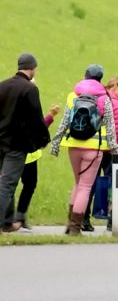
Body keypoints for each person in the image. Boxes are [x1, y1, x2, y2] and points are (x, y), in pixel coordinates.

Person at [50, 64, 118, 236]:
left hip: (73, 145)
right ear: (100, 79)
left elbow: (65, 121)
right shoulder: (105, 98)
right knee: (85, 187)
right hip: (94, 148)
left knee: (78, 183)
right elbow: (111, 128)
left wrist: (56, 143)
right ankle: (75, 227)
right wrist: (115, 150)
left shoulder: (73, 95)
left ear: (85, 76)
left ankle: (69, 223)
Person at [0, 54, 51, 234]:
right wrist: (43, 139)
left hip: (0, 142)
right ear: (33, 68)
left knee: (5, 183)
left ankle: (7, 223)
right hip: (16, 144)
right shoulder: (29, 89)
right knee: (7, 185)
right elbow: (35, 118)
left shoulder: (3, 86)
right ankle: (2, 223)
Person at [5, 101, 59, 232]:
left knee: (23, 185)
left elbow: (39, 128)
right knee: (16, 186)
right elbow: (38, 129)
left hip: (26, 156)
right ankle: (13, 219)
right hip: (23, 156)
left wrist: (50, 116)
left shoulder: (10, 111)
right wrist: (51, 115)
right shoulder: (25, 112)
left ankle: (18, 218)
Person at [83, 76, 118, 231]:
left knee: (89, 184)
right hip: (109, 151)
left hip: (93, 147)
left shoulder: (97, 99)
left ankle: (84, 218)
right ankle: (112, 220)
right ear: (115, 86)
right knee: (113, 185)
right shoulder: (115, 103)